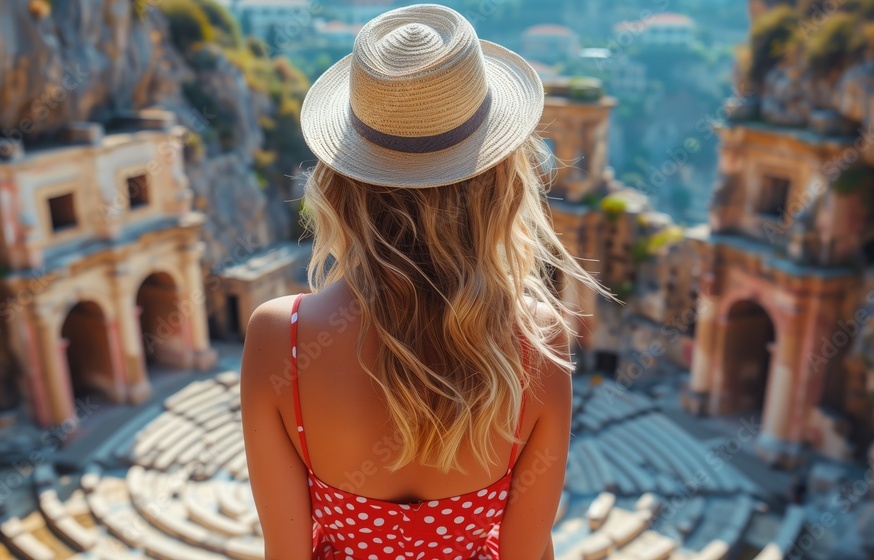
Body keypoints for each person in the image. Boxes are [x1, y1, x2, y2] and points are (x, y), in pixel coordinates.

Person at [240, 4, 609, 558]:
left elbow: (284, 553)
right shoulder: (539, 342)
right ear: (501, 183)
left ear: (340, 182)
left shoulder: (280, 339)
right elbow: (528, 551)